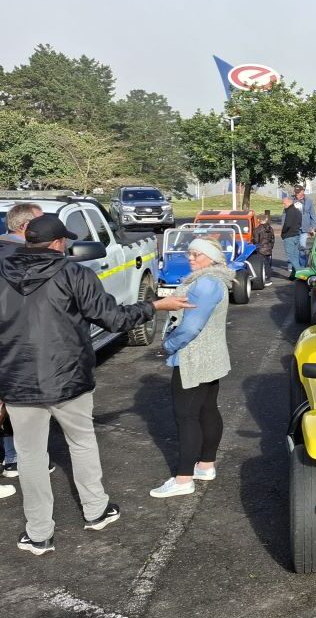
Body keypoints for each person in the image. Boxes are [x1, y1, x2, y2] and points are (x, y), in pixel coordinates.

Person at [0, 214, 192, 555]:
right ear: (58, 243)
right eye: (66, 241)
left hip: (17, 380)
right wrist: (155, 305)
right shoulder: (75, 273)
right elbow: (114, 319)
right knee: (82, 443)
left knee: (30, 456)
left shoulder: (3, 273)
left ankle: (39, 533)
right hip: (69, 377)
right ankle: (96, 510)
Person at [150, 238, 234, 499]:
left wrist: (168, 345)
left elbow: (190, 326)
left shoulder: (206, 283)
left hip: (193, 358)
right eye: (190, 253)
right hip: (210, 357)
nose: (191, 258)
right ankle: (206, 466)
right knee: (207, 410)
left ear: (211, 258)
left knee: (187, 417)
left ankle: (183, 478)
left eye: (197, 254)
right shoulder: (217, 280)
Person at [0, 203, 43, 481]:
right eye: (41, 223)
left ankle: (11, 457)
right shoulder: (23, 258)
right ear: (26, 227)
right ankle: (17, 458)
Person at [281, 196, 304, 276]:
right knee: (296, 256)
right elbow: (299, 223)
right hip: (296, 235)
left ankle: (301, 274)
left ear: (289, 202)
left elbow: (287, 224)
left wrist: (283, 233)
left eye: (284, 203)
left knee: (291, 257)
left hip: (289, 236)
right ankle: (293, 276)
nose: (283, 205)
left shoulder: (290, 211)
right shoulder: (298, 211)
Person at [294, 186, 316, 260]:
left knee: (303, 247)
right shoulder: (291, 200)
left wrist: (313, 227)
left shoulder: (309, 200)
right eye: (296, 192)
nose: (296, 194)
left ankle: (303, 264)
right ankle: (291, 265)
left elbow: (313, 214)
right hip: (294, 228)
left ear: (302, 192)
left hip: (305, 228)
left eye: (298, 193)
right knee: (293, 247)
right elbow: (285, 214)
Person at [252, 210, 275, 286]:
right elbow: (273, 239)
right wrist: (271, 247)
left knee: (263, 264)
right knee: (268, 263)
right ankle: (268, 277)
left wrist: (256, 248)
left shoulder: (257, 229)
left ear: (258, 220)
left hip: (261, 249)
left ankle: (267, 279)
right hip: (269, 248)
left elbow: (256, 240)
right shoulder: (270, 228)